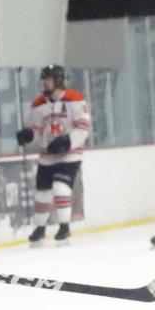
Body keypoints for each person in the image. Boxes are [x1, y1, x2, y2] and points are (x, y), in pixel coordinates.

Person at [16, 65, 91, 247]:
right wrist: (28, 134)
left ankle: (64, 226)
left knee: (61, 188)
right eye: (44, 79)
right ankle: (40, 228)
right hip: (47, 156)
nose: (45, 82)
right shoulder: (39, 104)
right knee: (42, 193)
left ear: (57, 80)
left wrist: (67, 141)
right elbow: (35, 128)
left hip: (69, 156)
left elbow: (83, 128)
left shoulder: (75, 100)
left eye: (48, 79)